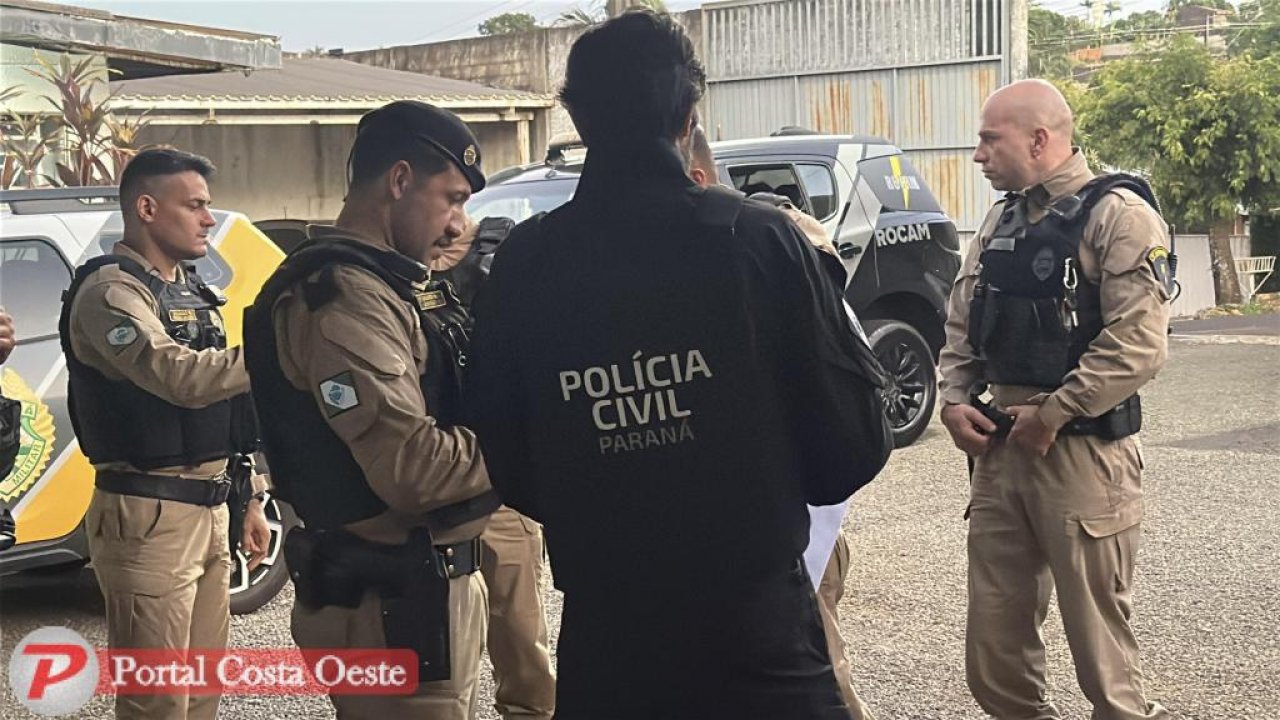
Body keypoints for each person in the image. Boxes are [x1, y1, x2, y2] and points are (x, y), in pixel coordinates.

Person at [466, 10, 890, 719]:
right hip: (756, 631)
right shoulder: (758, 241)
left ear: (577, 119)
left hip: (611, 638)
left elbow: (511, 459)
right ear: (689, 117)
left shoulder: (525, 265)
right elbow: (851, 445)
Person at [243, 100, 500, 720]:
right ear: (400, 180)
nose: (458, 226)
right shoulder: (344, 298)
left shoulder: (387, 285)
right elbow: (413, 470)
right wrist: (533, 433)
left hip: (420, 591)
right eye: (452, 199)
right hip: (389, 604)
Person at [938, 79, 1171, 720]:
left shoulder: (1120, 216)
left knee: (1102, 653)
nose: (979, 155)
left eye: (991, 140)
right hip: (1000, 451)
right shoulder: (1002, 218)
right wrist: (954, 399)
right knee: (995, 646)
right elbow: (962, 319)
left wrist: (1055, 412)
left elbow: (1138, 344)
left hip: (1082, 454)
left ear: (1039, 140)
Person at [59, 147, 270, 720]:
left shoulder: (191, 289)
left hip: (209, 507)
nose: (209, 218)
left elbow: (229, 405)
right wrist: (279, 351)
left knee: (202, 692)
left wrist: (249, 495)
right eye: (195, 205)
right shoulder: (109, 293)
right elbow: (181, 378)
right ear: (147, 209)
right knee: (155, 700)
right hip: (148, 516)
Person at [687, 123, 877, 720]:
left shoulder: (770, 269)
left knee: (818, 679)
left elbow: (848, 426)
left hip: (795, 536)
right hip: (785, 532)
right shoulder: (764, 258)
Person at [432, 217, 557, 720]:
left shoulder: (506, 253)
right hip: (426, 487)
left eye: (458, 197)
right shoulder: (391, 267)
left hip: (498, 481)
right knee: (437, 662)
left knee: (522, 642)